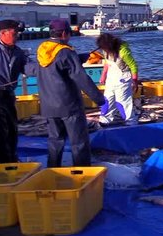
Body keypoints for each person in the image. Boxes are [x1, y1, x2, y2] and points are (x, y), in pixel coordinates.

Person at [26, 19, 105, 167]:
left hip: (49, 106)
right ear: (63, 33)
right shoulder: (66, 52)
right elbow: (81, 78)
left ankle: (52, 170)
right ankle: (82, 173)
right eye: (69, 33)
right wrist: (100, 99)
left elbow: (53, 67)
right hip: (69, 106)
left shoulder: (43, 50)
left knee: (55, 141)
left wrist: (77, 58)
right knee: (79, 142)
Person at [0, 19, 28, 163]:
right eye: (15, 33)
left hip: (8, 96)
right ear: (2, 33)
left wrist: (47, 69)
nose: (17, 36)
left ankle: (11, 159)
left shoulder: (18, 52)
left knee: (12, 129)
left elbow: (28, 67)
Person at [96, 33, 139, 126]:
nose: (103, 50)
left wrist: (135, 80)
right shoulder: (105, 50)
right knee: (107, 100)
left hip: (123, 77)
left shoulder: (123, 51)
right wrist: (103, 74)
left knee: (122, 101)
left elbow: (133, 66)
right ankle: (105, 120)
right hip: (111, 77)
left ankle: (131, 122)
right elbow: (107, 62)